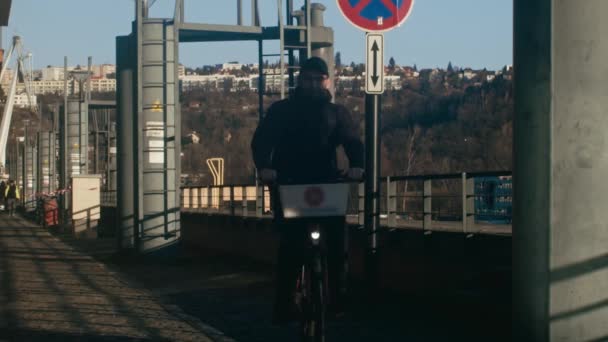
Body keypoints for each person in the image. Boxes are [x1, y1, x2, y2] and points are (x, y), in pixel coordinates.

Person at [251, 57, 365, 325]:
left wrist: (358, 166)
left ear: (326, 81)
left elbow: (352, 142)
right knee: (290, 246)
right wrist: (265, 167)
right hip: (289, 183)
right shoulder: (282, 111)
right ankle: (284, 304)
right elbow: (262, 141)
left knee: (338, 242)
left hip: (327, 184)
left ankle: (339, 296)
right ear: (300, 80)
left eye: (319, 79)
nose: (314, 84)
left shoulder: (338, 113)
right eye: (308, 79)